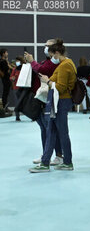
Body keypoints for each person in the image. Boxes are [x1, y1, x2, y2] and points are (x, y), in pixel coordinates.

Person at [29, 39, 76, 173]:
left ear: (56, 53)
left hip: (60, 101)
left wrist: (47, 81)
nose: (50, 58)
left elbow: (60, 87)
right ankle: (64, 161)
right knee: (55, 131)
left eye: (51, 55)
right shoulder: (67, 63)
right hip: (60, 101)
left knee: (56, 132)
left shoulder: (64, 65)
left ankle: (48, 163)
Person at [24, 40, 63, 166]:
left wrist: (32, 62)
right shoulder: (46, 61)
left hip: (50, 99)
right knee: (43, 128)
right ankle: (46, 153)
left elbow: (42, 70)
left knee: (51, 129)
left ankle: (58, 155)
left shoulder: (55, 62)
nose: (45, 47)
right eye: (45, 45)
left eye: (48, 45)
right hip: (40, 98)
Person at [10, 56, 26, 121]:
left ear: (21, 61)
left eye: (17, 61)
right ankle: (17, 117)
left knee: (26, 102)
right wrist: (12, 78)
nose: (16, 62)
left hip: (24, 88)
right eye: (16, 61)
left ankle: (31, 116)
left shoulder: (25, 69)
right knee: (17, 102)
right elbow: (11, 77)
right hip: (16, 88)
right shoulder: (14, 69)